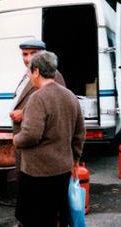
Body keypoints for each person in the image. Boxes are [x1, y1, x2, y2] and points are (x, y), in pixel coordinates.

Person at [13, 51, 85, 227]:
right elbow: (79, 133)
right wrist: (75, 159)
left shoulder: (37, 98)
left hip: (37, 173)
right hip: (62, 170)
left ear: (37, 71)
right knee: (58, 218)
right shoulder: (70, 96)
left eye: (30, 72)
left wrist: (16, 139)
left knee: (36, 219)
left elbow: (31, 135)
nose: (29, 76)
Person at [10, 40, 66, 177]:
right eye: (24, 54)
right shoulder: (27, 73)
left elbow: (57, 105)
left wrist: (24, 113)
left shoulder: (53, 75)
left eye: (33, 53)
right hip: (28, 146)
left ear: (43, 55)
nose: (28, 58)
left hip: (40, 151)